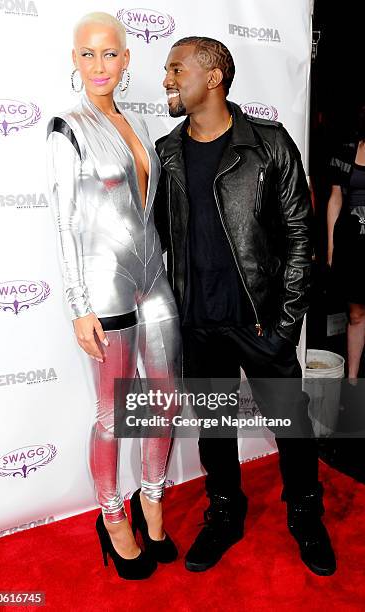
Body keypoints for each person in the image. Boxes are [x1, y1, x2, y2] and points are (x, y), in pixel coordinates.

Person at [154, 36, 336, 576]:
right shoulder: (167, 151)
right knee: (214, 428)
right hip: (198, 323)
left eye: (176, 68)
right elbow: (162, 238)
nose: (167, 79)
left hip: (261, 321)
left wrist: (284, 326)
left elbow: (301, 235)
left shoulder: (268, 144)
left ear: (212, 77)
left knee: (291, 424)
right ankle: (225, 514)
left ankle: (306, 514)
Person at [46, 12, 181, 580]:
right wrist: (79, 305)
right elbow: (64, 223)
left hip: (155, 276)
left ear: (127, 60)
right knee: (112, 415)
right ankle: (111, 514)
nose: (99, 65)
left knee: (167, 398)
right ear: (75, 61)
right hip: (104, 289)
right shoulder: (66, 126)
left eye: (109, 54)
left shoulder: (140, 126)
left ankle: (152, 497)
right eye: (87, 54)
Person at [327, 105, 365, 382]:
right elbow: (335, 197)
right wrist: (330, 246)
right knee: (355, 313)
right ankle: (352, 380)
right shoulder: (347, 150)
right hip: (353, 244)